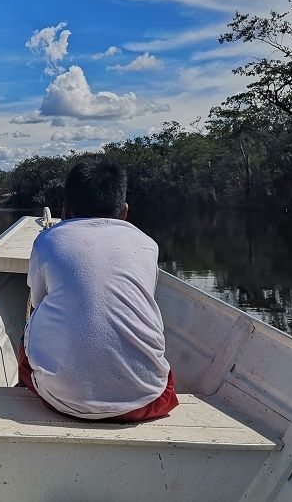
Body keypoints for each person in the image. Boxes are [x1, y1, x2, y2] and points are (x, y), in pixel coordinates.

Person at [17, 156, 178, 422]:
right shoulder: (147, 244)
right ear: (124, 211)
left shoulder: (46, 241)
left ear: (65, 211)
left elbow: (36, 301)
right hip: (147, 400)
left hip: (62, 400)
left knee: (30, 327)